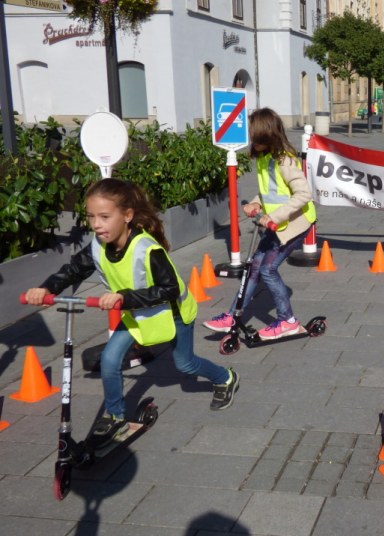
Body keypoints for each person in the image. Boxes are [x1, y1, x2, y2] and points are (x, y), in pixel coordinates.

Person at [25, 178, 239, 449]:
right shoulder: (98, 245)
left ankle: (225, 377)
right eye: (91, 217)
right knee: (110, 359)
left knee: (185, 365)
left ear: (127, 215)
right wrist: (46, 288)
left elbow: (170, 289)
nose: (96, 224)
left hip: (173, 313)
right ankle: (115, 416)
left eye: (104, 217)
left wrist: (124, 297)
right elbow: (74, 269)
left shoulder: (146, 248)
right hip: (136, 313)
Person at [204, 107, 316, 341]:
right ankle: (233, 316)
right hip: (277, 224)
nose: (251, 141)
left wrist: (273, 217)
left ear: (268, 135)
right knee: (253, 267)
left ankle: (288, 321)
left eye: (255, 137)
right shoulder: (265, 158)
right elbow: (271, 191)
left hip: (295, 224)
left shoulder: (285, 160)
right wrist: (256, 202)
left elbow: (303, 194)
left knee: (267, 269)